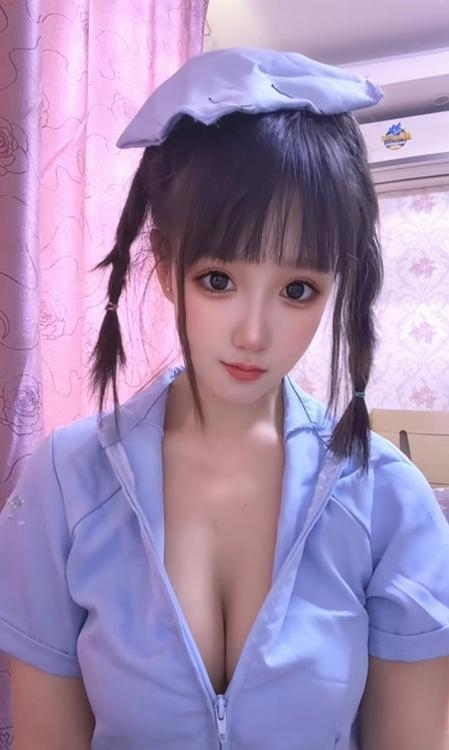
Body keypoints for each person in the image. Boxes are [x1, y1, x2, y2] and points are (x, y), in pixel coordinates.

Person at [1, 47, 449, 750]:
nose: (253, 333)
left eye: (297, 290)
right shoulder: (66, 481)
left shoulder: (388, 500)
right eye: (218, 280)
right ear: (165, 264)